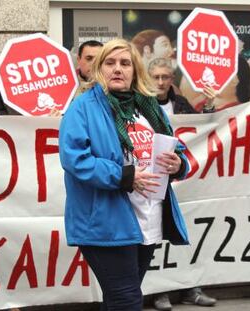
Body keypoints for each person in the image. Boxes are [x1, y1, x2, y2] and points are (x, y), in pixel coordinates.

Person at [59, 38, 190, 311]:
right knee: (127, 300)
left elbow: (177, 148)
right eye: (110, 63)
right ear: (98, 69)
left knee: (121, 298)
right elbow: (75, 159)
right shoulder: (82, 107)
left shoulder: (149, 107)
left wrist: (179, 163)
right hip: (106, 221)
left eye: (125, 63)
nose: (117, 69)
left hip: (146, 219)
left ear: (135, 70)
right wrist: (124, 176)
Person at [148, 58, 217, 311]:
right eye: (155, 76)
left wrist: (209, 104)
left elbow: (201, 130)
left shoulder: (181, 104)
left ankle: (190, 287)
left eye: (165, 77)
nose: (160, 82)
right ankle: (160, 290)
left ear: (171, 80)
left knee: (184, 235)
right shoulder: (141, 104)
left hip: (183, 180)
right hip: (155, 181)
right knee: (157, 237)